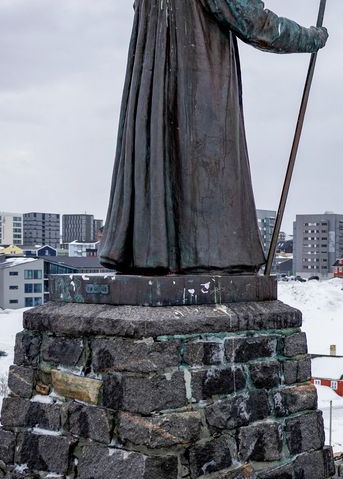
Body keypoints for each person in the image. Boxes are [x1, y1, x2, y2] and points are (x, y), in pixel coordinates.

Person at [99, 0, 328, 275]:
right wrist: (310, 38)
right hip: (198, 92)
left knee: (168, 164)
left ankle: (155, 250)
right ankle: (206, 253)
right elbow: (253, 22)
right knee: (206, 172)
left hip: (155, 98)